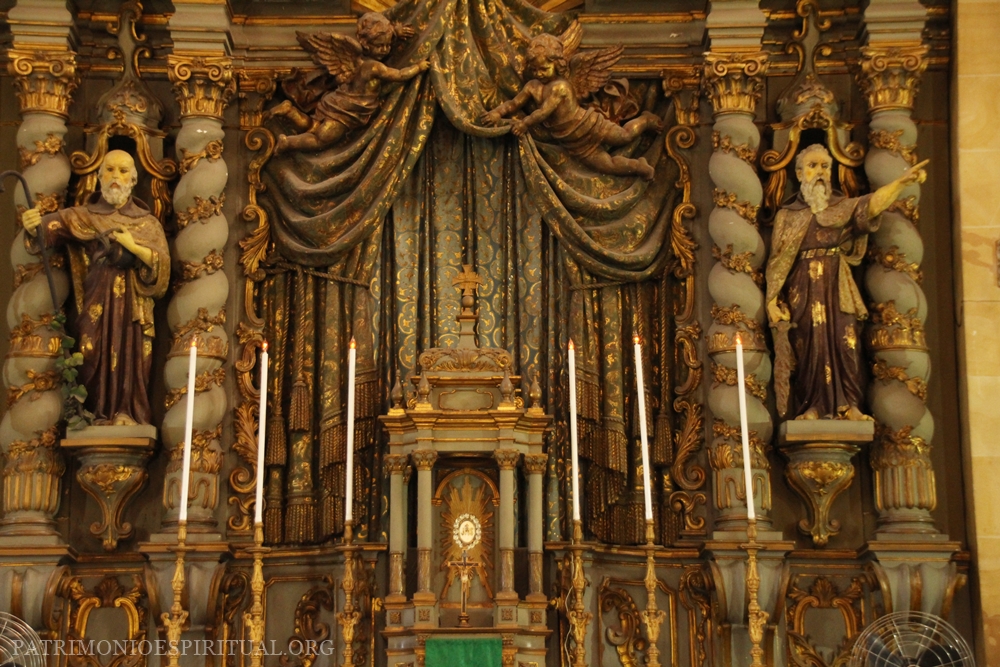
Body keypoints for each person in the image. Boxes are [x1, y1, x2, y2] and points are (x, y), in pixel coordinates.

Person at [765, 143, 927, 420]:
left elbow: (873, 204)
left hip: (838, 284)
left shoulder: (843, 207)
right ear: (799, 172)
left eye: (825, 166)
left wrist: (900, 183)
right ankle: (812, 406)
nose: (819, 172)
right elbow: (777, 261)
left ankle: (849, 405)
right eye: (813, 166)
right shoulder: (787, 215)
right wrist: (771, 300)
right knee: (809, 348)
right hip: (802, 289)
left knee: (846, 343)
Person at [21, 150, 170, 426]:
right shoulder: (84, 216)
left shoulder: (146, 223)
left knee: (131, 357)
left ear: (134, 179)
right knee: (91, 351)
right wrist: (33, 226)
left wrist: (133, 247)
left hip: (134, 308)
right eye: (110, 170)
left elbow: (162, 267)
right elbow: (48, 229)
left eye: (123, 171)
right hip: (95, 301)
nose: (116, 177)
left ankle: (127, 412)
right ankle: (97, 413)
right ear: (99, 177)